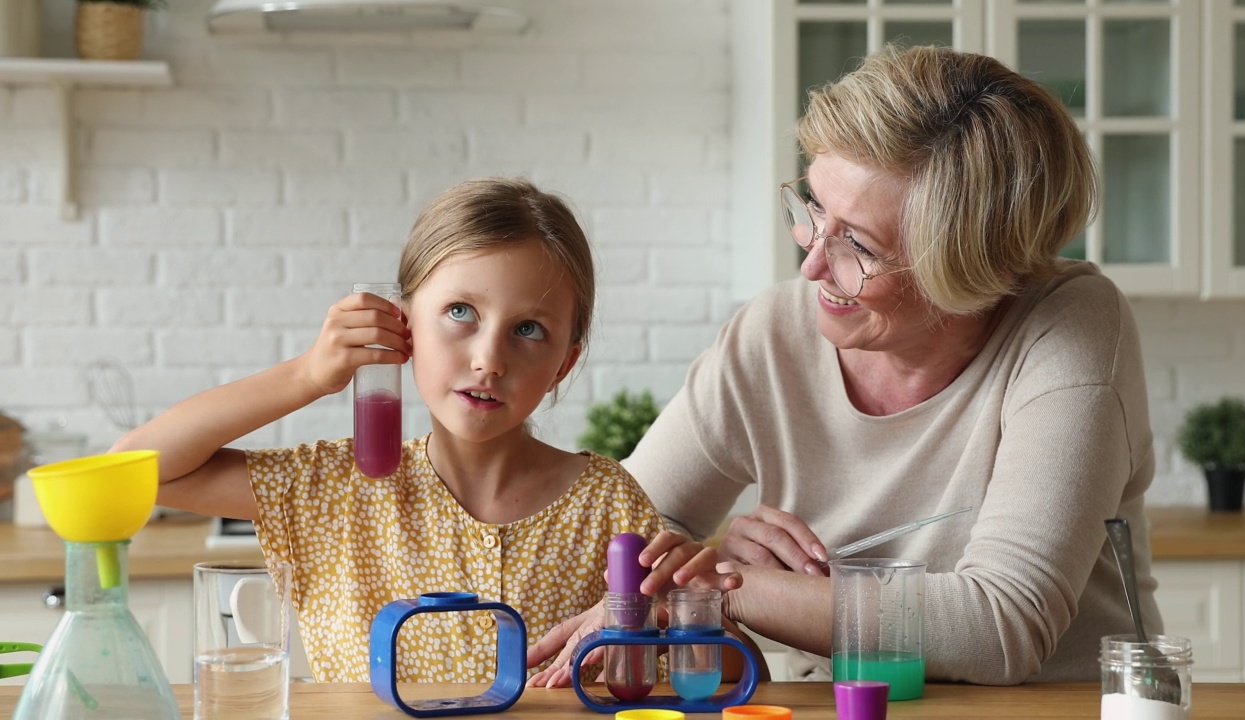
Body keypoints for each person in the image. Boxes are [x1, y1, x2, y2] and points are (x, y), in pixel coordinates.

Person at [529, 45, 1160, 686]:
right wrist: (708, 567)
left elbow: (999, 628)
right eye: (814, 211)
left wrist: (729, 584)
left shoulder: (1071, 327)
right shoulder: (773, 334)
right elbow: (619, 531)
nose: (812, 264)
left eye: (858, 244)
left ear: (981, 268)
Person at [111, 177, 735, 683]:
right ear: (403, 324)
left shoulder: (607, 502)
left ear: (563, 364)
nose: (489, 357)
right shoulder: (334, 487)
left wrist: (693, 614)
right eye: (460, 312)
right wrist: (306, 376)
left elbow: (716, 678)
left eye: (528, 329)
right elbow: (128, 472)